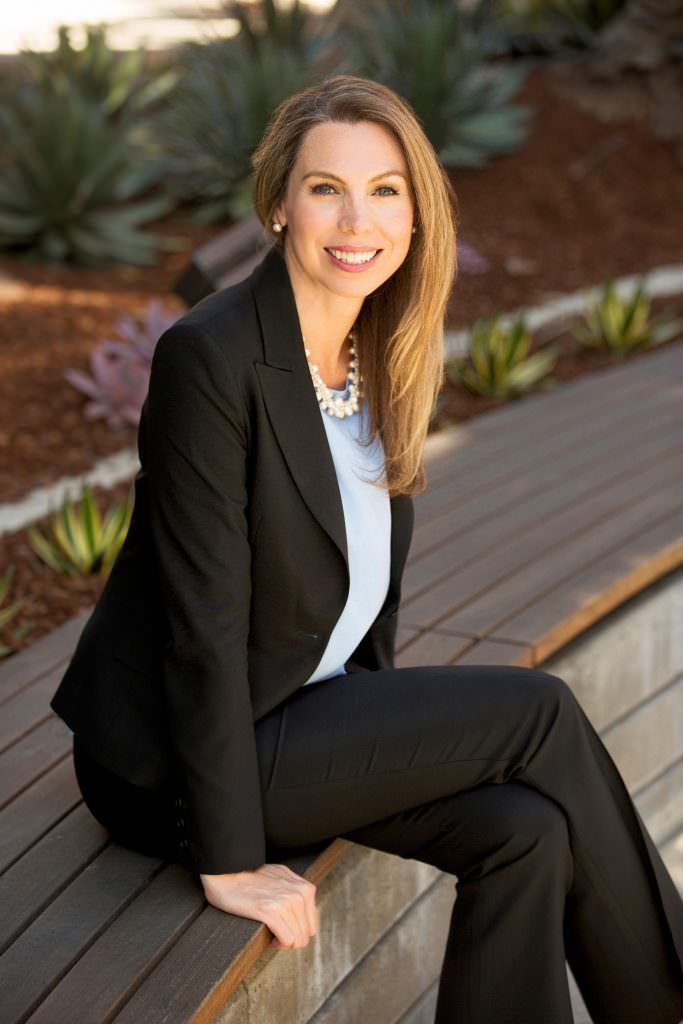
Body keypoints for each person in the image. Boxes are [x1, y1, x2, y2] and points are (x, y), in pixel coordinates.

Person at [50, 74, 683, 1024]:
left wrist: (392, 740)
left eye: (386, 189)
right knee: (538, 712)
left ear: (417, 210)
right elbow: (202, 627)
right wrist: (227, 857)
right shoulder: (211, 360)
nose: (359, 220)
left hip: (301, 710)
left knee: (526, 829)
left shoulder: (374, 347)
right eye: (325, 188)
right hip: (179, 760)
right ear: (278, 204)